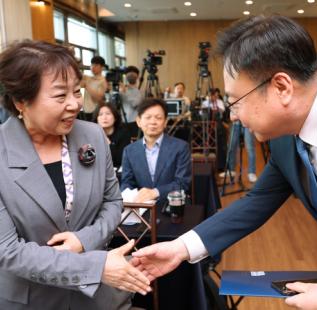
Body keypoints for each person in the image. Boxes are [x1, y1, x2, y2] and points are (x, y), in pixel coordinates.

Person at [131, 15, 317, 309]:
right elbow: (257, 201)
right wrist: (180, 248)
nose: (232, 115)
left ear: (282, 87)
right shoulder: (285, 134)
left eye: (235, 101)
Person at [0, 40, 151, 309]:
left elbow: (112, 202)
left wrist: (84, 240)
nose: (75, 105)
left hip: (97, 299)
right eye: (60, 96)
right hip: (33, 300)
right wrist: (93, 267)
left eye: (77, 91)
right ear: (21, 101)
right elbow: (8, 251)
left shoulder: (90, 135)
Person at [120, 98, 191, 204]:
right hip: (141, 207)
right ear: (138, 121)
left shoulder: (181, 147)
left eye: (158, 118)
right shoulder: (129, 151)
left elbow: (182, 183)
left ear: (165, 122)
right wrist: (132, 197)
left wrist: (155, 192)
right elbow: (126, 183)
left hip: (172, 205)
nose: (153, 122)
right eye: (148, 117)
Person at [93, 103, 132, 169]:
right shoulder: (93, 135)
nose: (104, 117)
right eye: (100, 114)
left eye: (108, 114)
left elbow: (121, 160)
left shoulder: (123, 134)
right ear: (97, 119)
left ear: (115, 118)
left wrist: (109, 145)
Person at [81, 56, 108, 121]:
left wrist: (86, 86)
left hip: (94, 112)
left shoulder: (103, 81)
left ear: (102, 67)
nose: (93, 67)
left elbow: (98, 98)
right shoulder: (87, 78)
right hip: (84, 111)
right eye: (92, 64)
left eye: (96, 65)